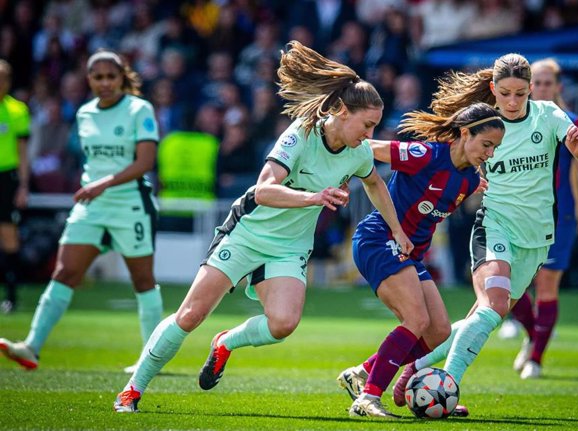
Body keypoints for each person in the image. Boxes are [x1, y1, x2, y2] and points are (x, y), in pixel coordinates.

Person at [112, 40, 414, 413]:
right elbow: (264, 190)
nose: (370, 134)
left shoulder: (359, 151)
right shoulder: (300, 135)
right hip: (247, 234)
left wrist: (397, 230)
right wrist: (314, 197)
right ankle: (132, 390)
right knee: (190, 315)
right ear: (340, 110)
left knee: (284, 323)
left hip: (288, 247)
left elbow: (375, 184)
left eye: (374, 126)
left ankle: (225, 343)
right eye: (367, 124)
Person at [391, 53, 578, 412]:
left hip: (537, 238)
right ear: (493, 90)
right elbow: (448, 156)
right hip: (494, 225)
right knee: (493, 306)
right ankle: (448, 386)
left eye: (520, 93)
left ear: (531, 89)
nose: (513, 102)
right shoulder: (483, 124)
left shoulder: (548, 115)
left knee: (486, 317)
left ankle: (416, 367)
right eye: (505, 94)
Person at [336, 102, 505, 418]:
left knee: (438, 330)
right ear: (465, 133)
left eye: (495, 147)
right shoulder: (427, 154)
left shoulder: (468, 181)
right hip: (380, 239)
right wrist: (341, 172)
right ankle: (367, 398)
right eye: (486, 145)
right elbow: (369, 147)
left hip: (409, 254)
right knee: (415, 320)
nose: (490, 154)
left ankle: (362, 373)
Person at [0, 50, 163, 373]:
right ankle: (31, 347)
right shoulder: (85, 113)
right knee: (64, 273)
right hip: (92, 205)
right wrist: (95, 187)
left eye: (110, 76)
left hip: (129, 203)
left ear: (121, 78)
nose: (104, 83)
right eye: (97, 77)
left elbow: (145, 162)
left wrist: (102, 184)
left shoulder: (138, 109)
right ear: (88, 80)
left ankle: (151, 358)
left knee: (142, 280)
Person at [509, 58, 578, 379]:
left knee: (546, 285)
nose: (543, 88)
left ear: (559, 87)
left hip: (559, 217)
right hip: (519, 214)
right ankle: (535, 334)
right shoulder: (516, 119)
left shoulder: (570, 122)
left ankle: (535, 358)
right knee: (510, 288)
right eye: (538, 83)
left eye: (549, 83)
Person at [0, 59, 30, 314]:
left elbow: (23, 151)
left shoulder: (18, 110)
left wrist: (23, 185)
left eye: (4, 79)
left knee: (9, 235)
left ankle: (11, 295)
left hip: (7, 178)